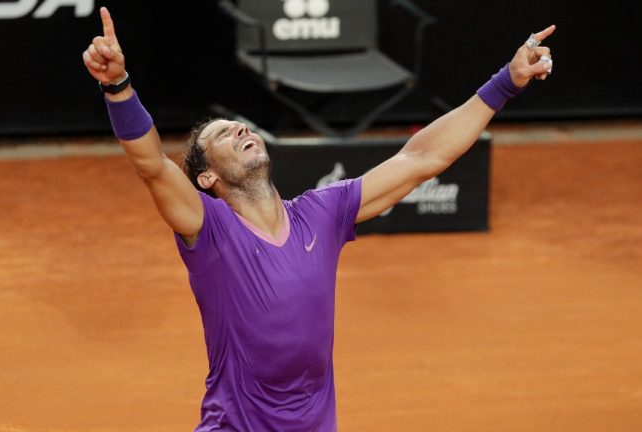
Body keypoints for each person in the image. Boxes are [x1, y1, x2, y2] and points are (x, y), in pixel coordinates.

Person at [82, 6, 555, 431]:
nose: (241, 129)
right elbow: (151, 164)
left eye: (241, 125)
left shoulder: (322, 214)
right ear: (207, 180)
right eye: (224, 135)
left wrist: (505, 83)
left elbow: (421, 159)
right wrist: (117, 86)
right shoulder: (208, 229)